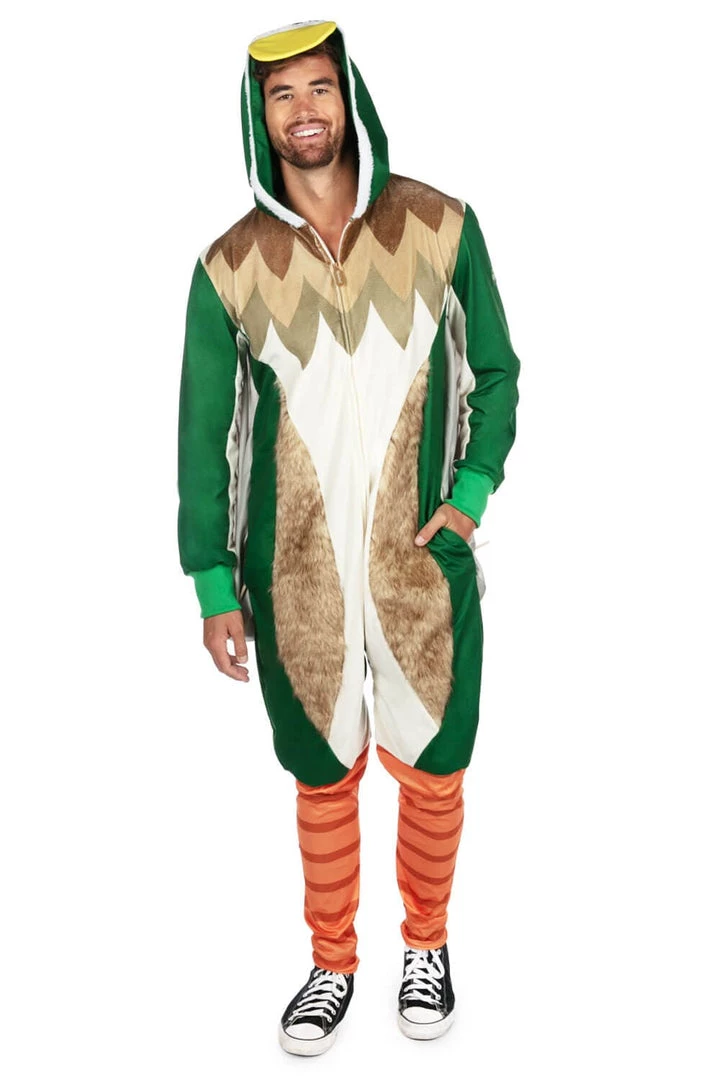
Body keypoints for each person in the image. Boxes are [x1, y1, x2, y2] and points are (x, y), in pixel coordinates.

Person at [177, 18, 521, 1057]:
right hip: (294, 573)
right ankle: (332, 963)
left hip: (420, 559)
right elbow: (203, 434)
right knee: (321, 773)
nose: (304, 111)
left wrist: (467, 497)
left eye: (318, 88)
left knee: (436, 762)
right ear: (261, 116)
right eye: (282, 95)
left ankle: (427, 945)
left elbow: (498, 372)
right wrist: (213, 582)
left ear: (349, 95)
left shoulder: (440, 226)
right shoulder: (229, 268)